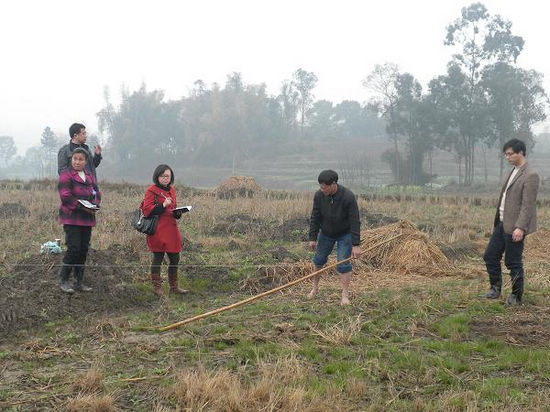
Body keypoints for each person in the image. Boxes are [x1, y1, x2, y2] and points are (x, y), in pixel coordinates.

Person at [483, 139, 539, 305]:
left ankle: (516, 296)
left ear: (520, 152)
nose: (507, 157)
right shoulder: (513, 170)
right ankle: (495, 289)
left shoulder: (531, 174)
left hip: (515, 226)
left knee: (513, 261)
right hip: (502, 223)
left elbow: (527, 205)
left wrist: (520, 228)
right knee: (490, 255)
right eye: (505, 154)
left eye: (510, 154)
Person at [308, 170, 361, 305]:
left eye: (324, 187)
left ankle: (344, 295)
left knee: (343, 264)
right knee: (318, 260)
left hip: (345, 234)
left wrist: (356, 245)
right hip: (326, 234)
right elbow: (315, 217)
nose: (322, 189)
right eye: (320, 186)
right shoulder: (319, 196)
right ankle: (314, 288)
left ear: (333, 184)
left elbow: (355, 220)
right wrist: (313, 237)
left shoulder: (348, 197)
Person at [58, 147, 101, 293]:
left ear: (86, 161)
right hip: (72, 217)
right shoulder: (65, 175)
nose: (77, 162)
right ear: (71, 159)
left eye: (80, 159)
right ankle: (64, 280)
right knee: (73, 248)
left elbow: (96, 192)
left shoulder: (89, 176)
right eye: (75, 159)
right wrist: (83, 207)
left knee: (83, 249)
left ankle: (78, 281)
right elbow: (65, 196)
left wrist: (95, 205)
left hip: (87, 218)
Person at [141, 164, 189, 296]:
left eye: (167, 176)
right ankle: (157, 288)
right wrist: (162, 205)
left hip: (171, 228)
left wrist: (178, 213)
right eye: (162, 176)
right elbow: (147, 211)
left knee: (175, 257)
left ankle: (174, 287)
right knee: (158, 256)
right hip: (158, 229)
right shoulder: (151, 191)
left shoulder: (172, 190)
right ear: (157, 177)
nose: (165, 178)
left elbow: (173, 208)